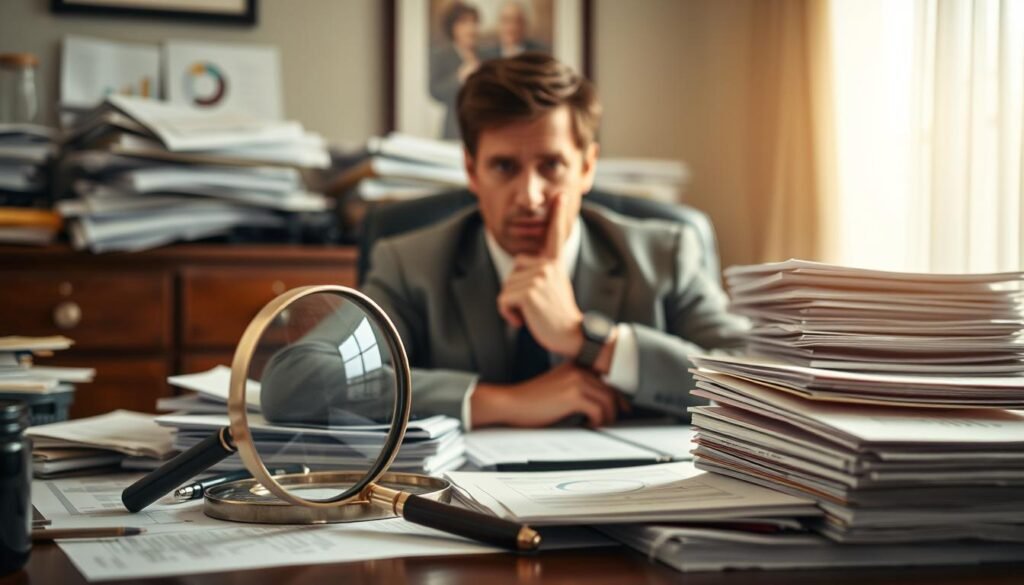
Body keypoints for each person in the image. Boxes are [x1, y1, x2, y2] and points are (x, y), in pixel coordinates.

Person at [361, 53, 750, 430]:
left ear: (586, 167)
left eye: (551, 165)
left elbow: (763, 384)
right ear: (471, 171)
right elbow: (310, 377)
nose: (530, 196)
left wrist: (591, 340)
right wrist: (505, 402)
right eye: (504, 166)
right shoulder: (409, 263)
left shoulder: (666, 255)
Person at [429, 1, 483, 140]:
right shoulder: (443, 56)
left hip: (482, 128)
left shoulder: (486, 56)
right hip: (455, 130)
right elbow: (435, 91)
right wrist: (459, 78)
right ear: (453, 27)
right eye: (464, 23)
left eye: (474, 22)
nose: (471, 28)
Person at [482, 1, 549, 59]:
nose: (511, 27)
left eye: (516, 21)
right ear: (498, 24)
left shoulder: (539, 54)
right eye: (506, 20)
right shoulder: (485, 56)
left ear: (525, 24)